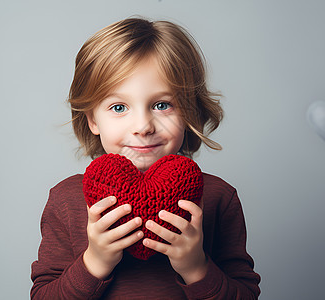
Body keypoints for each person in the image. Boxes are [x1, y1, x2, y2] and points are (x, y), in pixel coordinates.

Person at [30, 17, 261, 299]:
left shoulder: (218, 198)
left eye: (162, 105)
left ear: (189, 109)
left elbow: (246, 294)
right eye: (118, 107)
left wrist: (196, 267)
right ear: (92, 119)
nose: (143, 126)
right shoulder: (65, 200)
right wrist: (95, 262)